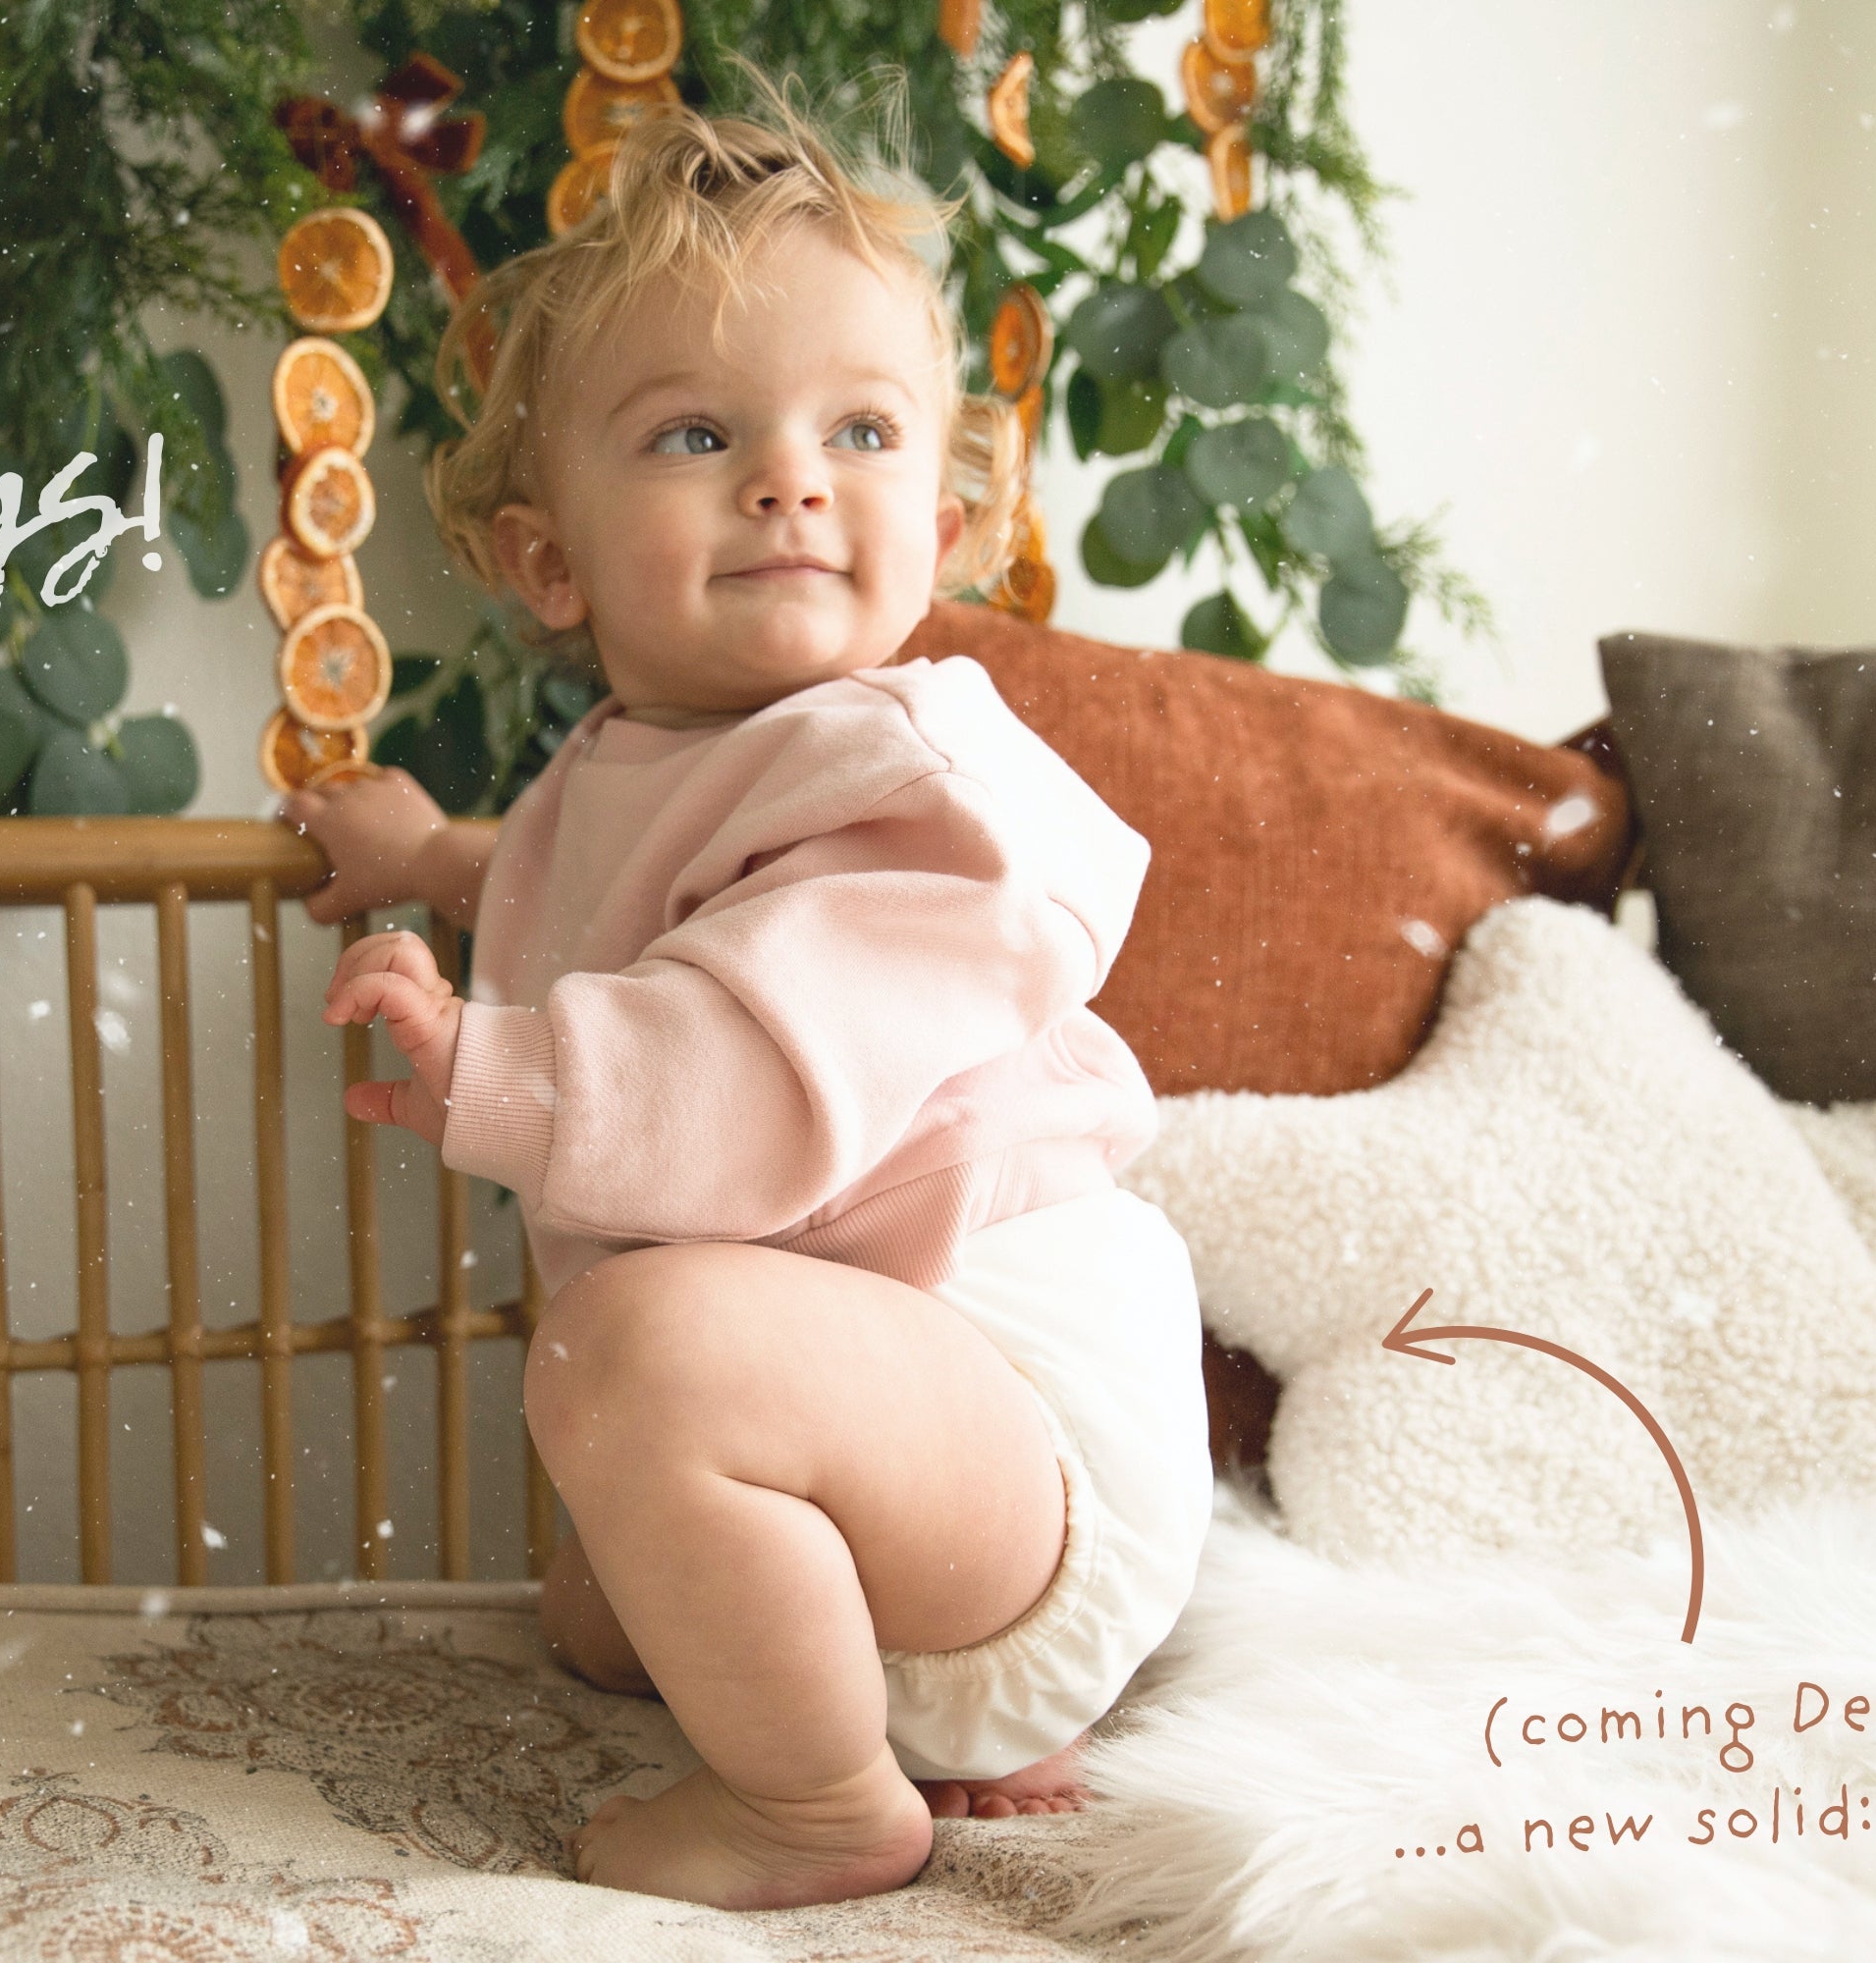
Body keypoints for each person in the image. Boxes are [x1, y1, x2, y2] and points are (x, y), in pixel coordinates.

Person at [287, 95, 1211, 1912]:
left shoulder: (910, 775)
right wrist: (434, 858)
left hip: (1020, 1420)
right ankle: (949, 1723)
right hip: (896, 1438)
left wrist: (489, 1066)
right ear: (552, 559)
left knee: (627, 1359)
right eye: (699, 434)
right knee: (602, 1597)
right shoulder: (649, 762)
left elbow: (748, 1059)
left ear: (943, 525)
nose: (791, 477)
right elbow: (609, 912)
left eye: (858, 431)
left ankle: (819, 1809)